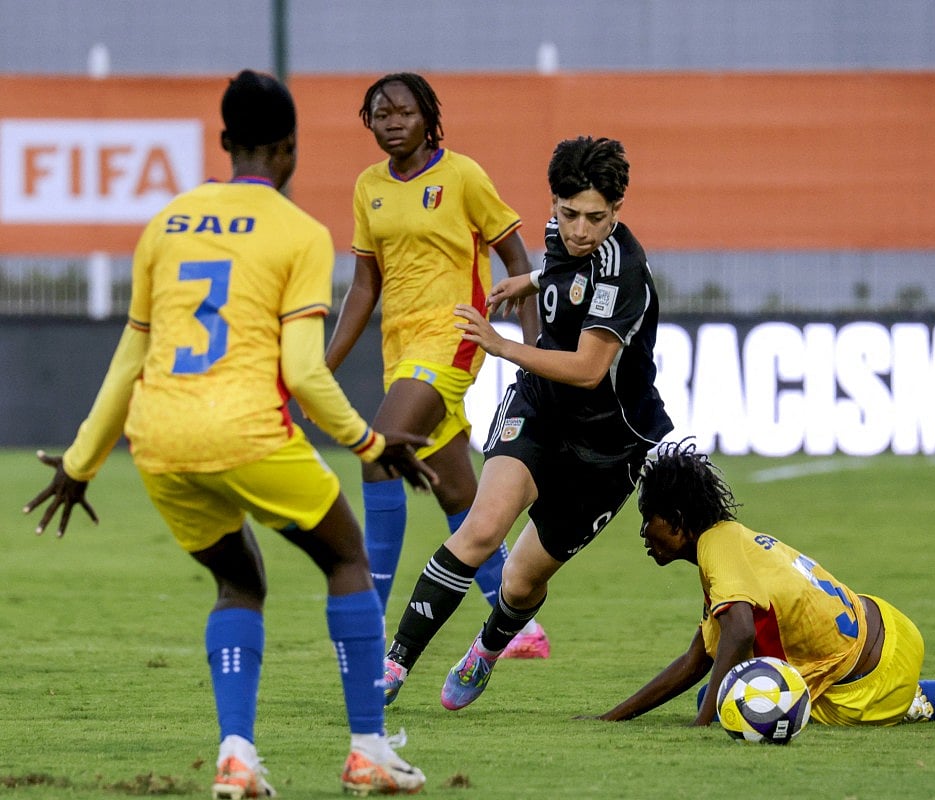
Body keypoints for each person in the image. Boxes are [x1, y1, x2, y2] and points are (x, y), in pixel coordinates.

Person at [22, 70, 431, 797]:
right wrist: (370, 443)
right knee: (346, 560)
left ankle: (237, 756)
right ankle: (368, 747)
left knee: (238, 579)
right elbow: (304, 371)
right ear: (289, 149)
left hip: (159, 440)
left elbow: (130, 360)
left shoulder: (168, 222)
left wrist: (81, 463)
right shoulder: (299, 232)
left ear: (223, 142)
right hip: (247, 430)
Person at [381, 135, 673, 711]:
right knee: (481, 530)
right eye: (568, 214)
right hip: (539, 411)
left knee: (519, 582)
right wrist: (531, 281)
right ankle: (391, 668)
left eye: (596, 218)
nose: (580, 230)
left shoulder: (624, 271)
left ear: (618, 211)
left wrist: (501, 345)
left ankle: (486, 651)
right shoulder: (559, 234)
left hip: (608, 449)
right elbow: (563, 267)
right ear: (554, 204)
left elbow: (590, 370)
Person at [596, 441, 935, 727]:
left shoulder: (718, 552)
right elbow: (695, 659)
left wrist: (702, 726)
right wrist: (612, 719)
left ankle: (922, 703)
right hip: (888, 625)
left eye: (648, 520)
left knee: (729, 702)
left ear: (678, 522)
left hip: (870, 679)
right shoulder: (730, 543)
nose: (644, 533)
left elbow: (739, 634)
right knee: (723, 693)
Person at [325, 73, 549, 683]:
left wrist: (534, 355)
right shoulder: (368, 187)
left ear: (428, 117)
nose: (391, 120)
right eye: (379, 113)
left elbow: (520, 264)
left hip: (453, 340)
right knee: (457, 495)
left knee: (378, 451)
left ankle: (368, 622)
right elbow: (365, 286)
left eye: (403, 110)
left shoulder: (464, 176)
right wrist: (321, 367)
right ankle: (521, 625)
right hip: (400, 352)